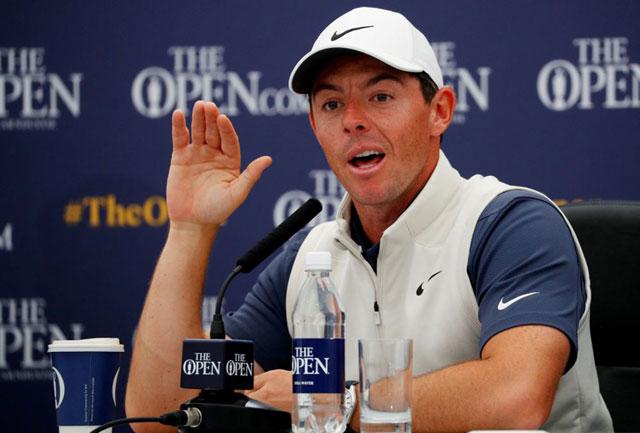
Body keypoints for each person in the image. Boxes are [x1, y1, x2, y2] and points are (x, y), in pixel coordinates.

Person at [125, 7, 613, 433]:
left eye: (380, 97)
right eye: (332, 104)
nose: (352, 120)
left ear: (439, 110)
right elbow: (163, 414)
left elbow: (516, 396)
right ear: (315, 127)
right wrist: (190, 230)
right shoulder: (308, 259)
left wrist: (341, 403)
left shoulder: (510, 224)